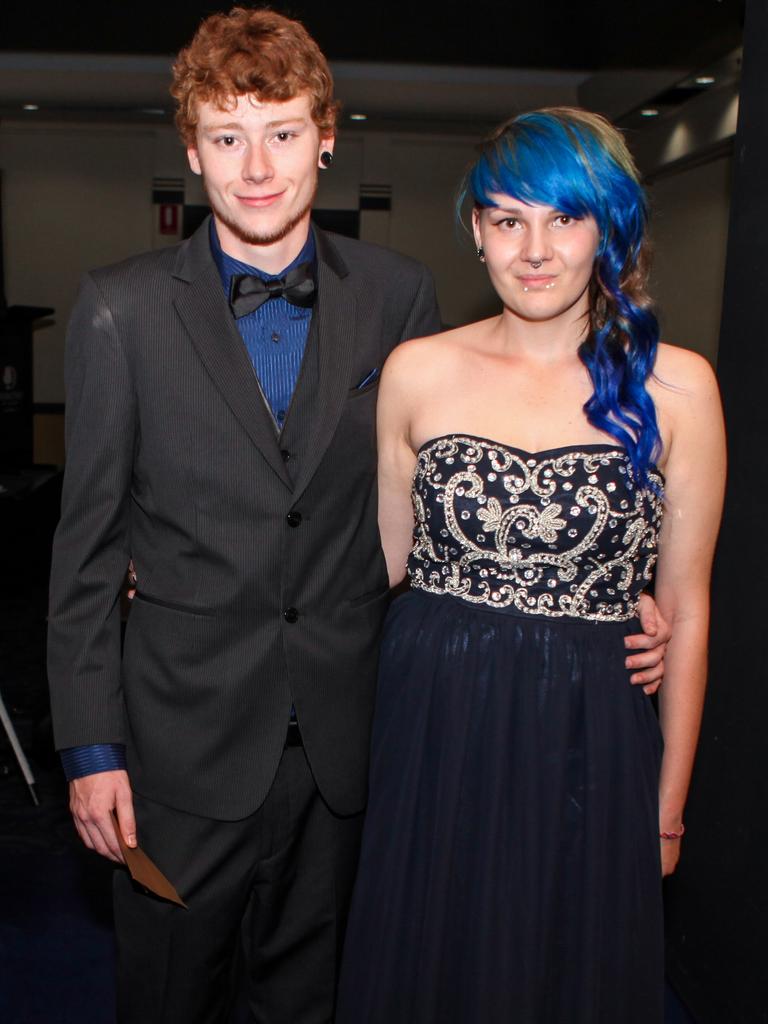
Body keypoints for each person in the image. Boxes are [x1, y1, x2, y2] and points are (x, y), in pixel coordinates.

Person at [45, 8, 668, 1016]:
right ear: (192, 153)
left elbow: (455, 496)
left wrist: (615, 595)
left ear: (327, 137)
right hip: (179, 750)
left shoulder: (400, 296)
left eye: (283, 132)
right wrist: (90, 746)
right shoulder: (119, 309)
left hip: (353, 745)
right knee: (165, 996)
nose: (257, 166)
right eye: (227, 136)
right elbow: (84, 554)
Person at [336, 108, 725, 1024]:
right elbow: (375, 569)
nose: (535, 249)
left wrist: (667, 808)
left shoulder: (682, 387)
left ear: (609, 229)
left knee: (564, 974)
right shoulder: (416, 371)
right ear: (476, 230)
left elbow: (690, 609)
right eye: (509, 220)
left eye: (565, 218)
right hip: (433, 720)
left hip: (589, 733)